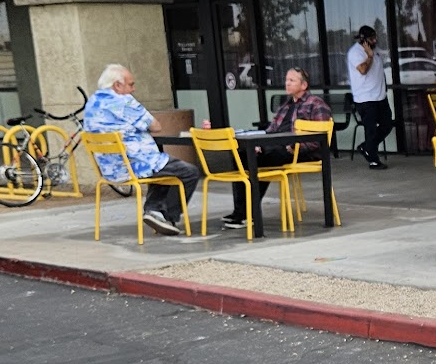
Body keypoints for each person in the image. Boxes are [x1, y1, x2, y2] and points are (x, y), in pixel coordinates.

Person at [82, 64, 198, 235]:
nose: (133, 89)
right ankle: (166, 217)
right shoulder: (124, 101)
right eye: (131, 85)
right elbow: (156, 126)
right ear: (117, 85)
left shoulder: (92, 103)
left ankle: (154, 210)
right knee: (188, 171)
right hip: (135, 164)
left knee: (164, 166)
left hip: (110, 169)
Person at [220, 67, 332, 229]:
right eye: (286, 80)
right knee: (242, 156)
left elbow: (320, 138)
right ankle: (241, 211)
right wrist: (259, 144)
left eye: (292, 80)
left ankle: (248, 214)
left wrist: (296, 147)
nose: (287, 83)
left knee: (261, 161)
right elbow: (271, 131)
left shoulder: (316, 104)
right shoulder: (285, 105)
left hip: (301, 152)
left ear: (304, 85)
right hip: (278, 148)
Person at [346, 24, 392, 168]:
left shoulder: (375, 50)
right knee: (370, 130)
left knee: (387, 125)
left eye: (375, 37)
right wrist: (370, 56)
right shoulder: (355, 53)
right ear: (363, 40)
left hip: (380, 97)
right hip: (366, 99)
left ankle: (367, 147)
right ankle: (373, 160)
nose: (375, 40)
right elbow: (363, 70)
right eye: (372, 39)